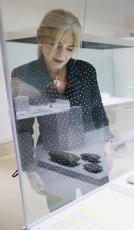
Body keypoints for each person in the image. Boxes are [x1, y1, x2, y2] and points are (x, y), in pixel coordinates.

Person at [11, 9, 113, 211]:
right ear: (40, 36)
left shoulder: (86, 70)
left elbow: (98, 112)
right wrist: (30, 169)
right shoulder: (23, 74)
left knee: (98, 211)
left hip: (91, 153)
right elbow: (22, 127)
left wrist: (108, 146)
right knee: (61, 215)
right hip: (52, 159)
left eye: (70, 48)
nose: (62, 55)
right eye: (56, 45)